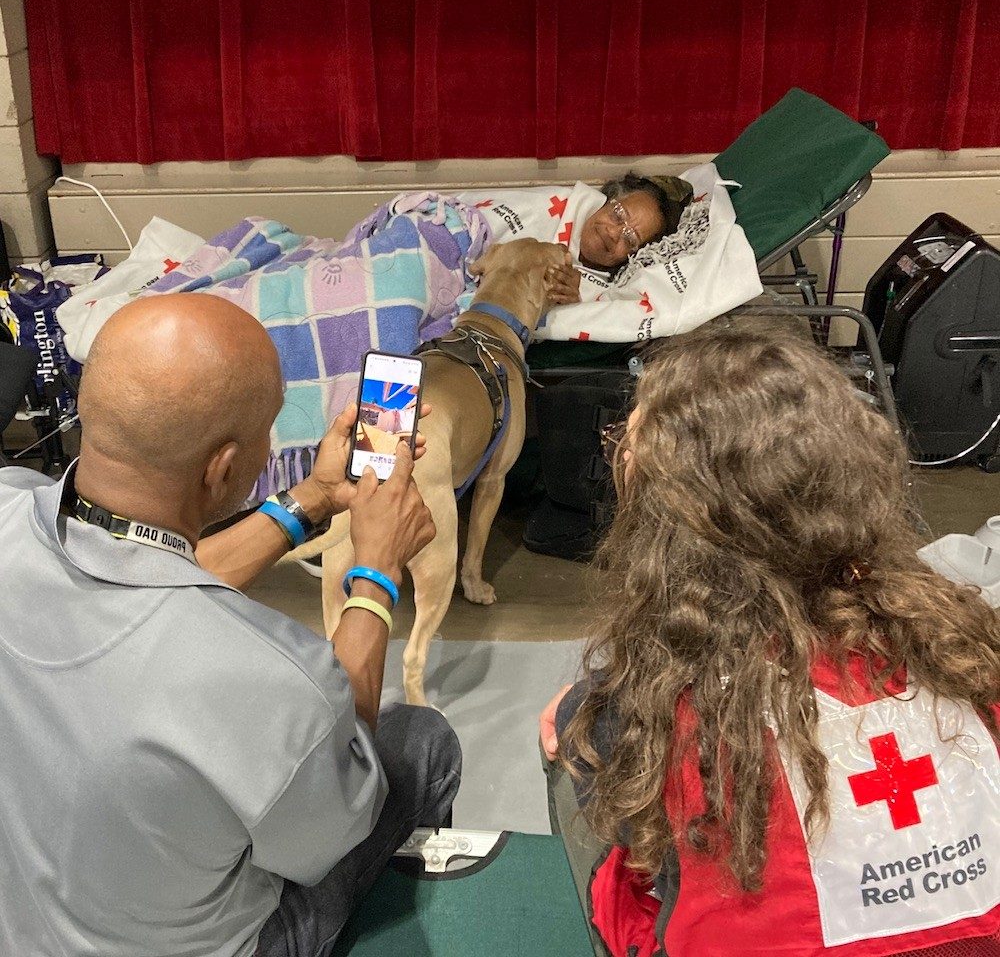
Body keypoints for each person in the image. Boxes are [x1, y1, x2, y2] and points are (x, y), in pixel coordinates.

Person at [0, 294, 461, 956]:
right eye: (272, 425)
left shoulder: (9, 505)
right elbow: (343, 816)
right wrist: (378, 572)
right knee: (418, 742)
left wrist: (312, 499)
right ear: (221, 468)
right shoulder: (267, 678)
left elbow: (142, 567)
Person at [540, 321, 1000, 957]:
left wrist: (584, 719)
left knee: (577, 737)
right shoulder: (965, 647)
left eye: (624, 443)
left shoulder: (656, 708)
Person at [457, 171, 694, 306]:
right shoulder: (558, 203)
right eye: (618, 214)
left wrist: (568, 303)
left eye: (630, 239)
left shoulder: (600, 294)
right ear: (609, 199)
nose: (613, 233)